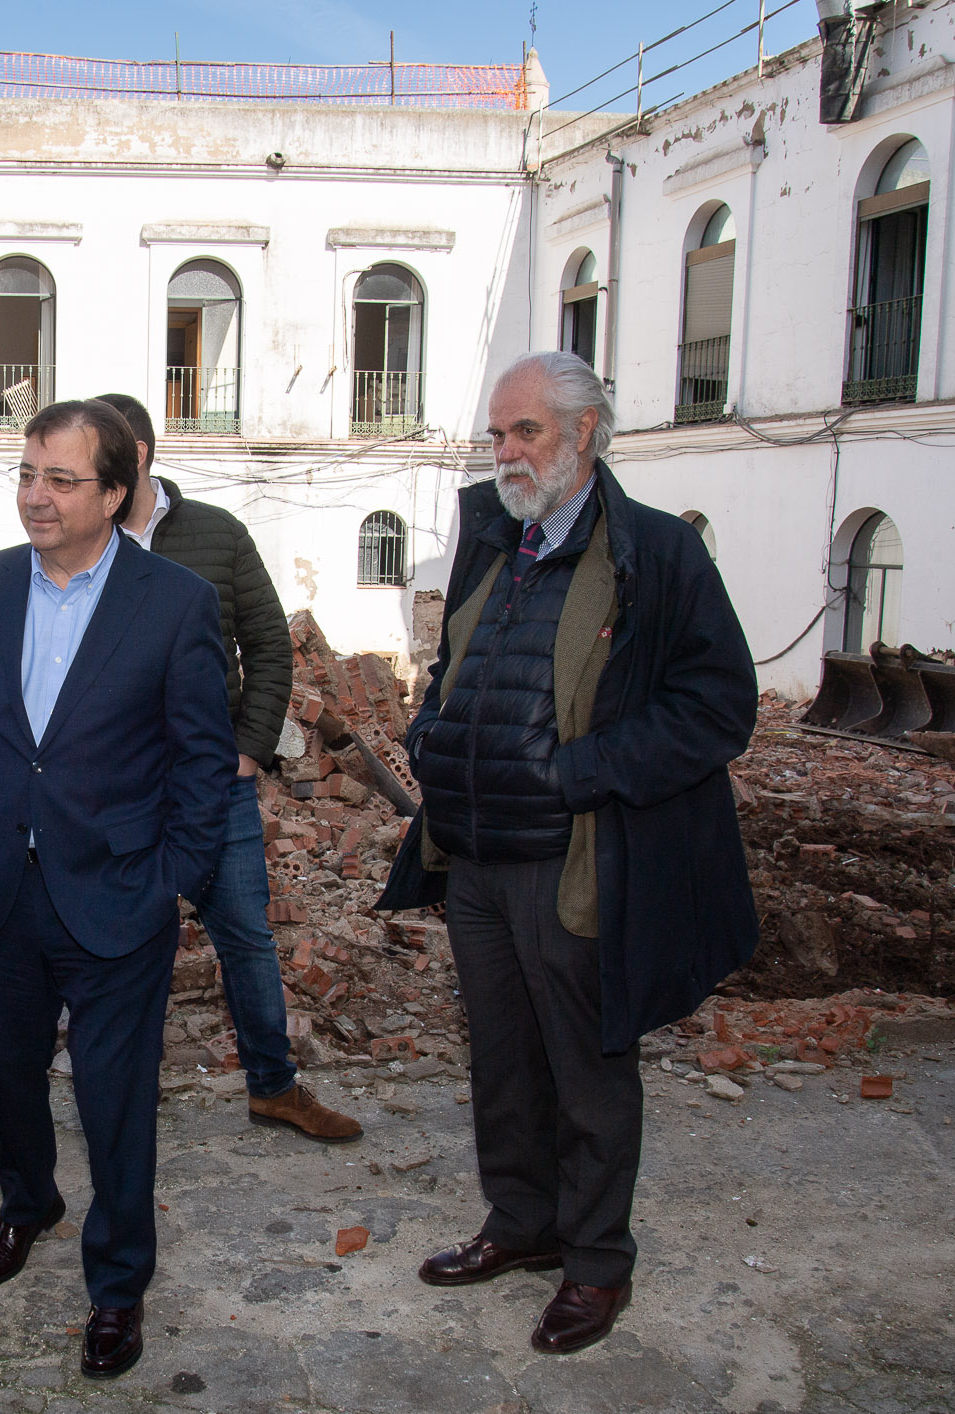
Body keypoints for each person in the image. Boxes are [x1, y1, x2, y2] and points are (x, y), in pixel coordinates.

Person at [377, 351, 759, 1355]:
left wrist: (585, 768)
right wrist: (431, 732)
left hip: (574, 863)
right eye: (497, 434)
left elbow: (720, 709)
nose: (505, 452)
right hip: (476, 861)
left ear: (584, 432)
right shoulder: (496, 539)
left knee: (588, 1071)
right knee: (503, 1062)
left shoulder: (656, 552)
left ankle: (596, 1262)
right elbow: (456, 663)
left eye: (526, 432)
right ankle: (521, 1224)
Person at [0, 400, 234, 1380]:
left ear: (115, 492)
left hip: (117, 901)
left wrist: (170, 885)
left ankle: (118, 1283)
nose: (36, 496)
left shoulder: (175, 602)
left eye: (61, 479)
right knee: (6, 1077)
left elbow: (200, 762)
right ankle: (27, 1205)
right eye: (26, 474)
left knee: (116, 1102)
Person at [92, 393, 361, 1144]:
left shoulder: (216, 533)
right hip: (119, 791)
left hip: (213, 785)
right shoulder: (83, 543)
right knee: (119, 941)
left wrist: (248, 749)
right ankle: (119, 1092)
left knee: (244, 936)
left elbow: (270, 647)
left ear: (134, 456)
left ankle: (273, 1086)